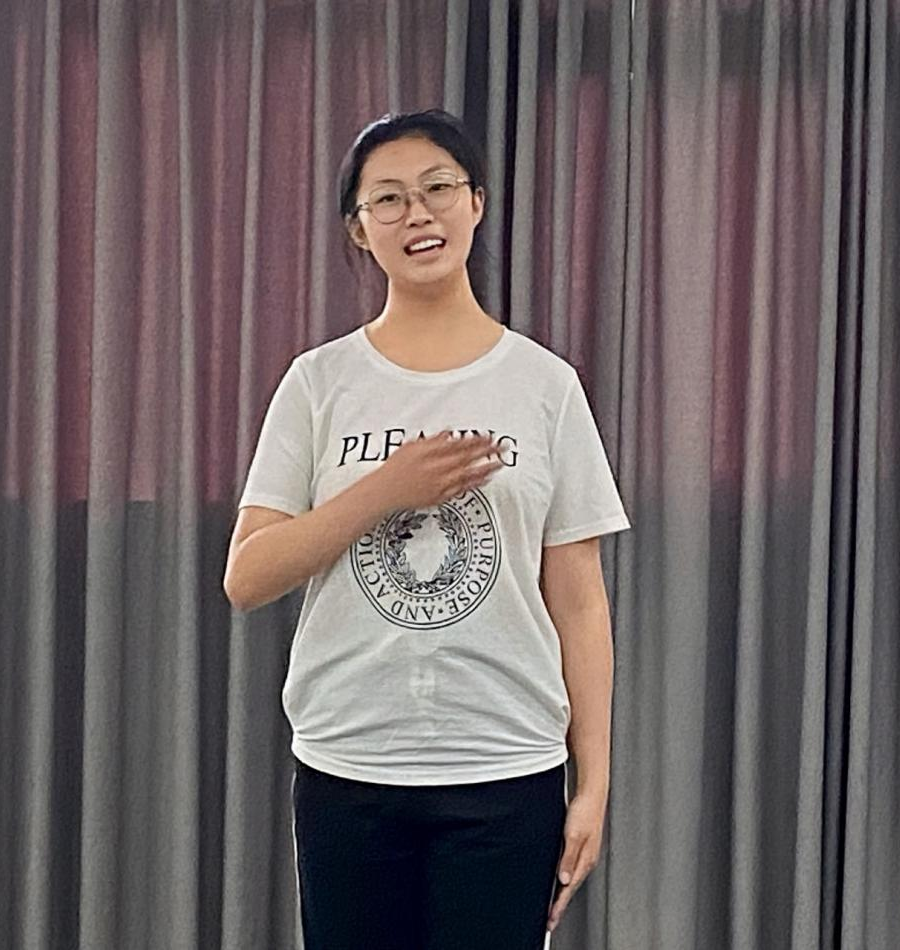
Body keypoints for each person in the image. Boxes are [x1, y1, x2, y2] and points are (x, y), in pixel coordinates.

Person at [222, 109, 631, 950]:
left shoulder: (544, 386)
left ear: (475, 202)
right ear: (358, 228)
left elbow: (579, 602)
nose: (418, 213)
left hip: (506, 768)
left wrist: (591, 785)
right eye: (388, 199)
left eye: (438, 187)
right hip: (348, 764)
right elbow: (248, 576)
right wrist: (387, 489)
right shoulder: (318, 383)